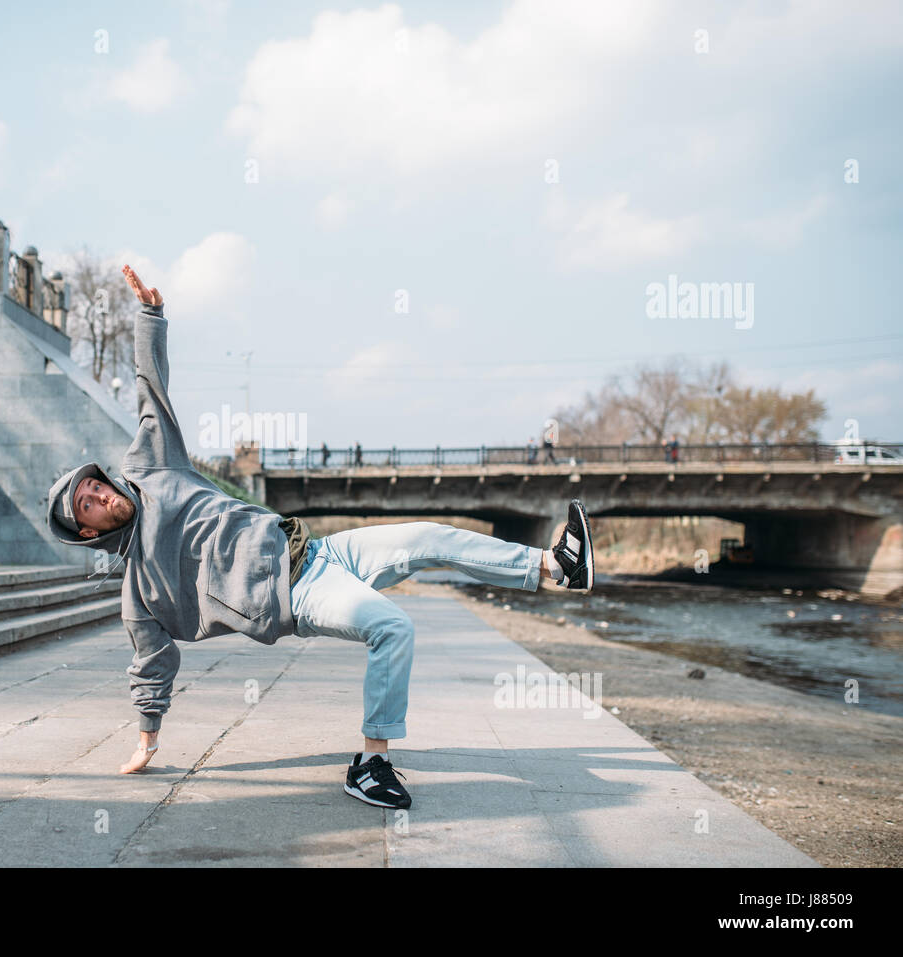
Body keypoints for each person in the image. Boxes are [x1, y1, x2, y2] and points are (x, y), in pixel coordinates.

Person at [45, 265, 596, 811]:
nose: (99, 494)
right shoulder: (140, 591)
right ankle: (370, 765)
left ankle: (555, 565)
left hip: (319, 548)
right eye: (88, 503)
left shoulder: (152, 466)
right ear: (88, 530)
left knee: (427, 536)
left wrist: (150, 316)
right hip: (298, 593)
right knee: (393, 627)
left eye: (94, 484)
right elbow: (150, 662)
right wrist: (147, 738)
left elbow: (150, 389)